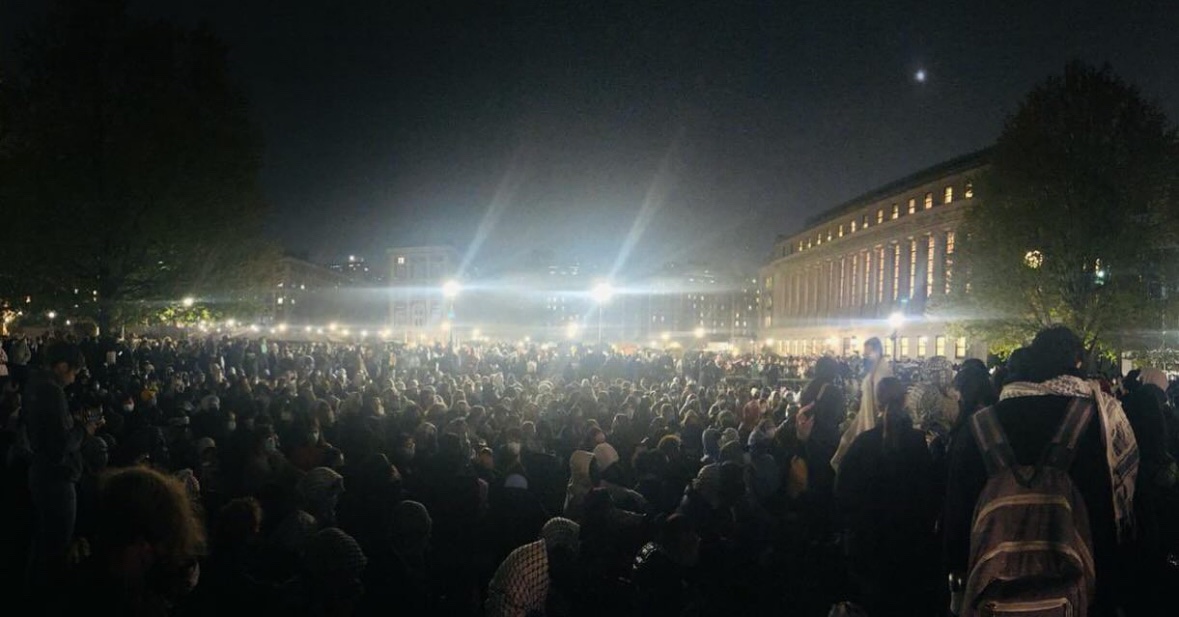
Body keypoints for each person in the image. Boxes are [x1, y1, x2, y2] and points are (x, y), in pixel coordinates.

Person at [944, 326, 1139, 616]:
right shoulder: (1100, 421)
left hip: (992, 589)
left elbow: (957, 517)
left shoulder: (980, 425)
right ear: (1076, 364)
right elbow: (1112, 511)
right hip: (1079, 589)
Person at [836, 376, 938, 616]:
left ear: (878, 402)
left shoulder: (863, 443)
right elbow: (928, 493)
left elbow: (843, 492)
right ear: (905, 401)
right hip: (909, 549)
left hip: (870, 548)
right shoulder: (916, 443)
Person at [23, 341, 89, 589]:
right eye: (74, 372)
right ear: (62, 366)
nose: (74, 379)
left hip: (41, 473)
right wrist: (84, 430)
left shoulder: (34, 383)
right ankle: (45, 595)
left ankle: (33, 589)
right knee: (56, 545)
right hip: (56, 479)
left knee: (43, 540)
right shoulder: (52, 391)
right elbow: (60, 446)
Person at [832, 337, 892, 470]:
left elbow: (881, 399)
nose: (864, 357)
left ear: (876, 351)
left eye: (867, 353)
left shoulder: (883, 371)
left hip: (873, 419)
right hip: (865, 416)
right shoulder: (874, 369)